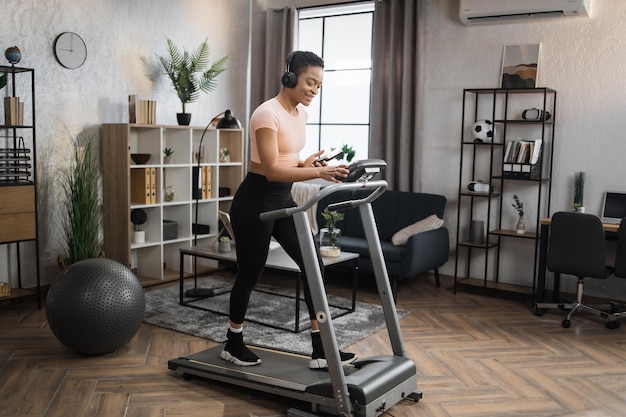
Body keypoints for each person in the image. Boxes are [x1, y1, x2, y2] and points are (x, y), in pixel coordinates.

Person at [220, 51, 355, 369]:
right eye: (310, 82)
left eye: (319, 85)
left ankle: (321, 347)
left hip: (283, 200)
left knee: (314, 265)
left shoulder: (300, 115)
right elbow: (270, 170)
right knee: (250, 273)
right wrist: (318, 174)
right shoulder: (267, 114)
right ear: (290, 77)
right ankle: (233, 342)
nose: (314, 90)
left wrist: (304, 163)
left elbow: (286, 161)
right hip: (255, 201)